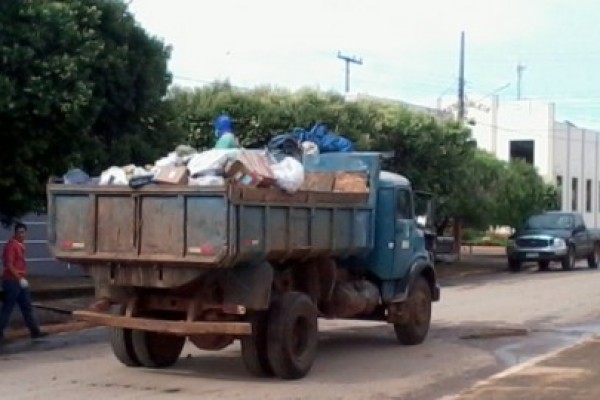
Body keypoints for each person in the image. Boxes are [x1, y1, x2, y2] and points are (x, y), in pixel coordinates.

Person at [0, 223, 47, 342]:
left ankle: (35, 332)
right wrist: (19, 278)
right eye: (19, 232)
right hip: (12, 281)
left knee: (27, 307)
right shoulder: (12, 246)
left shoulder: (20, 245)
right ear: (15, 233)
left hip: (19, 280)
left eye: (23, 232)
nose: (21, 234)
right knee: (8, 308)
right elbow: (9, 264)